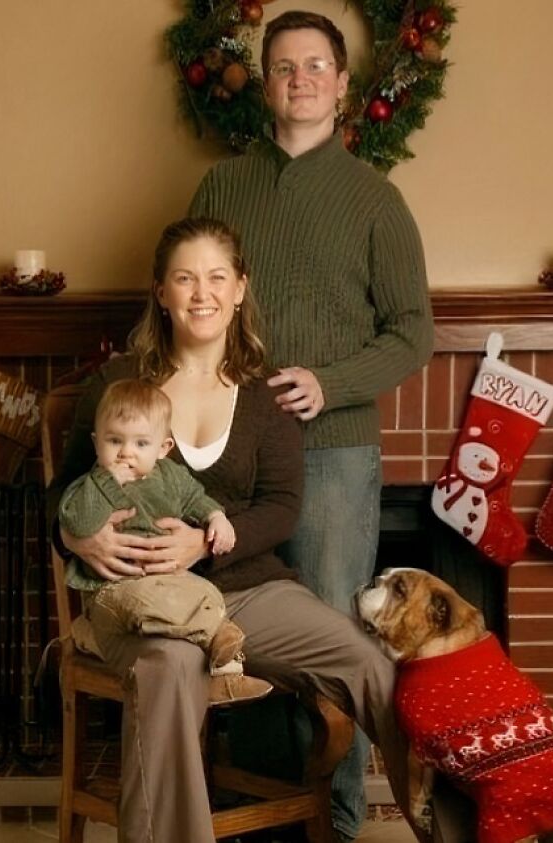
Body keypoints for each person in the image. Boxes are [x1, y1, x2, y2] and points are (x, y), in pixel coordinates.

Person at [48, 217, 464, 843]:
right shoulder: (119, 384)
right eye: (184, 278)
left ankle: (462, 831)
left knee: (371, 662)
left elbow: (280, 506)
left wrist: (205, 541)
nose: (201, 293)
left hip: (249, 592)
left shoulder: (264, 394)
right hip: (149, 605)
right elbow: (59, 495)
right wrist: (78, 538)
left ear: (240, 288)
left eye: (216, 277)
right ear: (160, 291)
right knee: (166, 672)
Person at [189, 11, 434, 839]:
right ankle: (258, 815)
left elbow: (412, 331)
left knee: (331, 625)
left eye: (316, 66)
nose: (301, 78)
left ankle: (335, 820)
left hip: (331, 452)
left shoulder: (376, 199)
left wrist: (330, 383)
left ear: (341, 84)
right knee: (238, 623)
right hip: (232, 455)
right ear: (266, 85)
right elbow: (195, 292)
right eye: (284, 66)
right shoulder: (223, 187)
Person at [58, 377, 271, 704]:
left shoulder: (171, 478)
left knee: (204, 590)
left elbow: (196, 500)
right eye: (114, 441)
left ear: (163, 448)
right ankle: (216, 640)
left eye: (141, 444)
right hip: (113, 586)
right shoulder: (91, 484)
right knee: (148, 604)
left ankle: (223, 666)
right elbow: (77, 521)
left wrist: (216, 518)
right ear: (96, 441)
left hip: (167, 579)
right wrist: (105, 482)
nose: (126, 453)